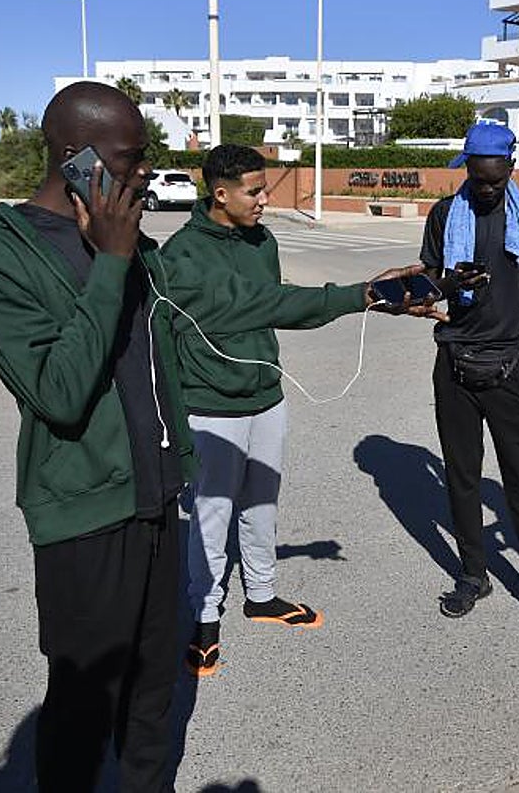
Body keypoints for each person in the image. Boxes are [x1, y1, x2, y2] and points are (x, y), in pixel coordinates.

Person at [0, 81, 195, 791]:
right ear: (74, 156)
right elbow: (58, 394)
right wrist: (113, 260)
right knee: (85, 711)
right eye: (130, 158)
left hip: (156, 501)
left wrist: (358, 296)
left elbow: (211, 314)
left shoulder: (135, 242)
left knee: (154, 698)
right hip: (87, 515)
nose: (144, 171)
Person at [160, 144, 435, 676]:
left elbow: (276, 302)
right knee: (211, 517)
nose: (265, 199)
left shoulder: (261, 240)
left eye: (265, 188)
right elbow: (268, 307)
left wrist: (371, 295)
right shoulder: (184, 257)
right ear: (220, 194)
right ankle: (204, 615)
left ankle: (260, 595)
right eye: (254, 191)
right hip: (210, 405)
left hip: (266, 395)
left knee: (261, 503)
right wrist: (366, 294)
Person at [419, 121, 519, 644]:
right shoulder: (446, 215)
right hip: (455, 366)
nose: (486, 190)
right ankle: (473, 574)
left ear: (511, 170)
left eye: (495, 181)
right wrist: (452, 281)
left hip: (512, 367)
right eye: (478, 178)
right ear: (466, 169)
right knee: (462, 478)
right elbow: (427, 286)